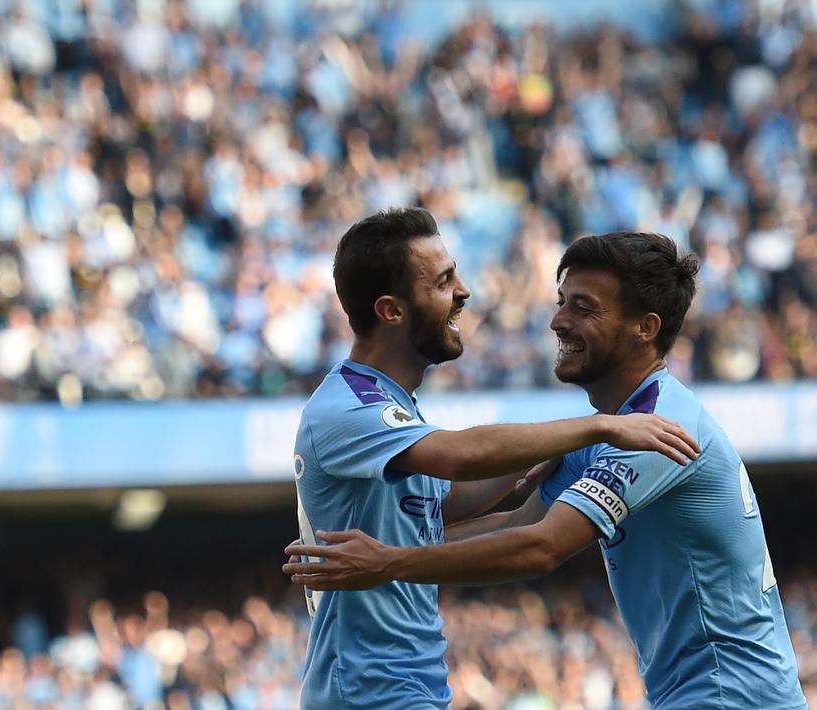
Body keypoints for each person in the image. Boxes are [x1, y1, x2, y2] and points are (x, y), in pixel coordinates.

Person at [285, 231, 806, 709]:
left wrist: (391, 562)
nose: (557, 321)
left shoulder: (653, 429)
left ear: (644, 328)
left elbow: (541, 546)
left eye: (582, 308)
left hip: (731, 694)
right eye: (561, 303)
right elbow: (519, 525)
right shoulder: (617, 428)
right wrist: (389, 554)